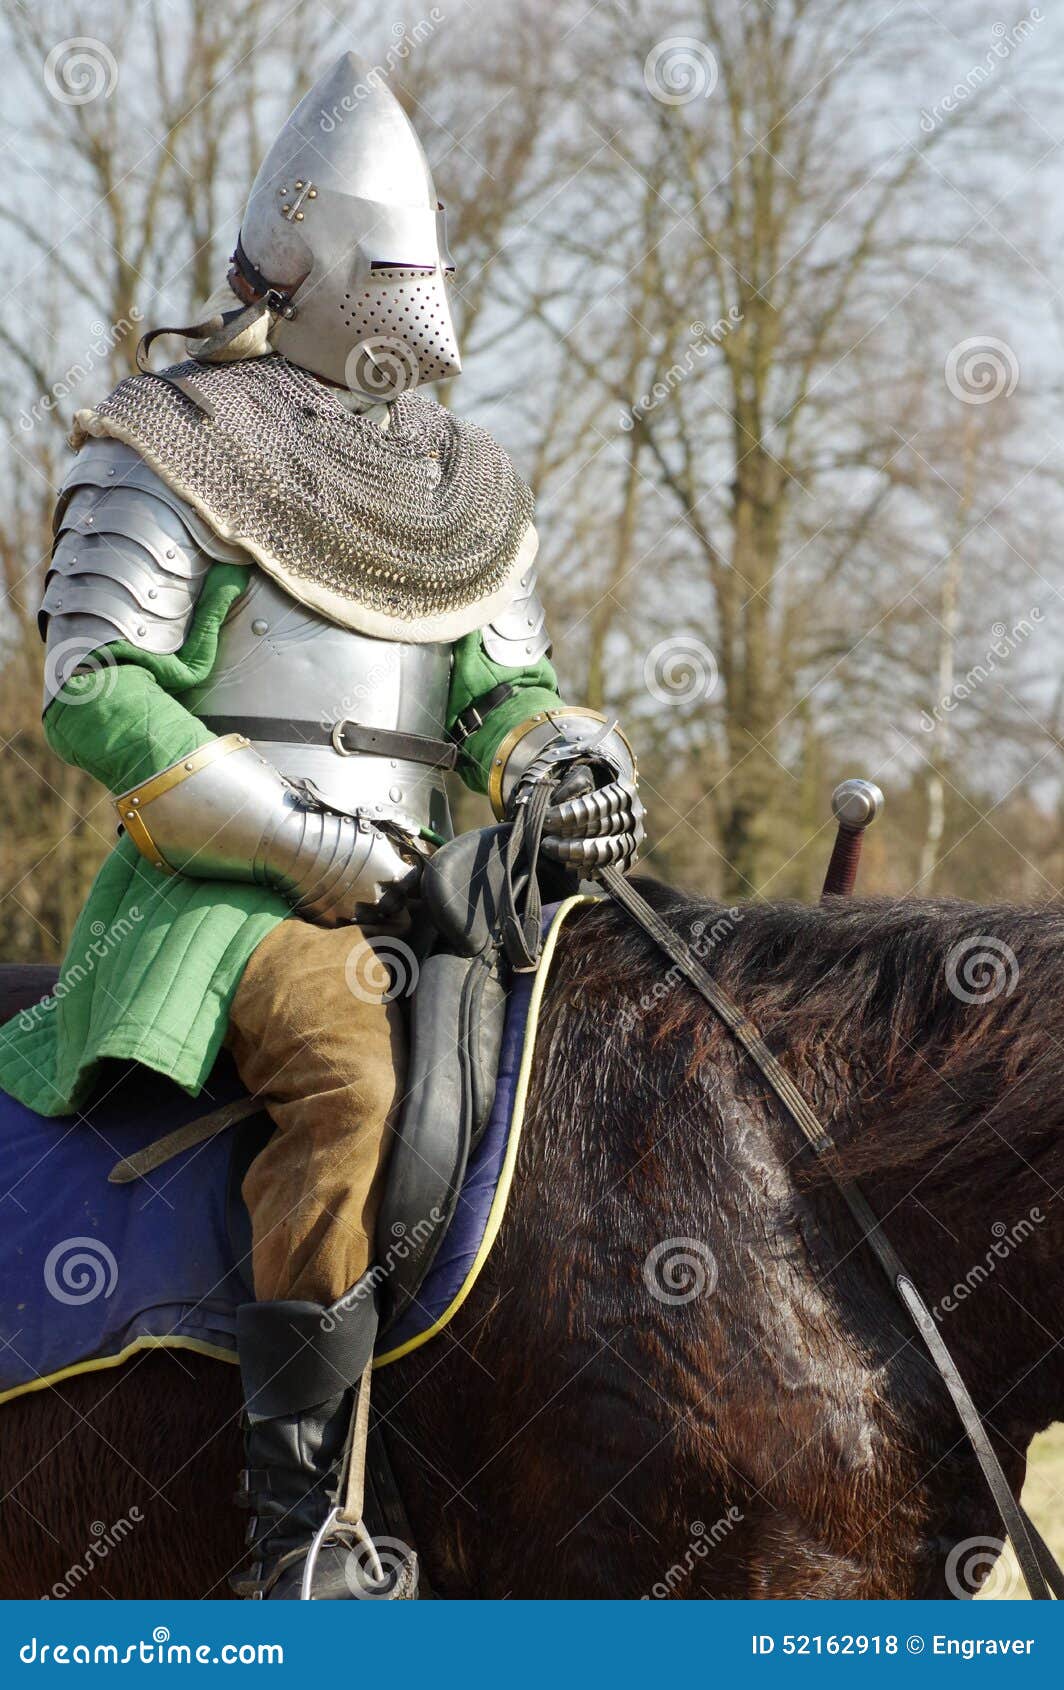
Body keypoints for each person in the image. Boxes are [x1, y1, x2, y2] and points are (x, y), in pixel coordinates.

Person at [0, 52, 643, 1598]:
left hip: (432, 884)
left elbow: (503, 685)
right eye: (391, 268)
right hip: (218, 901)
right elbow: (97, 685)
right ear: (305, 260)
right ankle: (298, 1530)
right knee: (355, 1073)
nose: (413, 308)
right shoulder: (174, 438)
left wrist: (565, 760)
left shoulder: (461, 482)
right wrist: (297, 837)